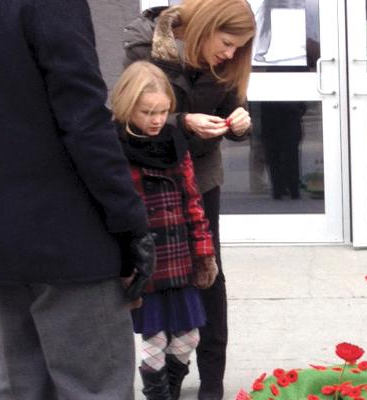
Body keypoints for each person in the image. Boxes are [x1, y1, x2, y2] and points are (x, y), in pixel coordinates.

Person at [0, 1, 153, 399]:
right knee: (94, 388)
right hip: (69, 237)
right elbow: (83, 119)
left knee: (21, 388)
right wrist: (130, 222)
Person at [124, 1, 255, 398]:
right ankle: (163, 375)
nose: (230, 54)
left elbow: (233, 106)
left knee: (206, 268)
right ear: (206, 25)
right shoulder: (144, 43)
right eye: (227, 43)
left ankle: (211, 378)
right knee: (157, 273)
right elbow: (129, 111)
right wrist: (182, 122)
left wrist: (239, 123)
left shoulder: (227, 61)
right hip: (150, 176)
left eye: (239, 48)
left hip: (200, 177)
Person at [112, 61, 219, 400]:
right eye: (147, 112)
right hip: (145, 260)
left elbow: (192, 199)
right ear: (128, 106)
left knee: (189, 336)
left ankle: (171, 387)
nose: (157, 119)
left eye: (162, 111)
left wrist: (204, 252)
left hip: (179, 254)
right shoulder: (112, 145)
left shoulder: (174, 141)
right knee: (155, 337)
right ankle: (159, 395)